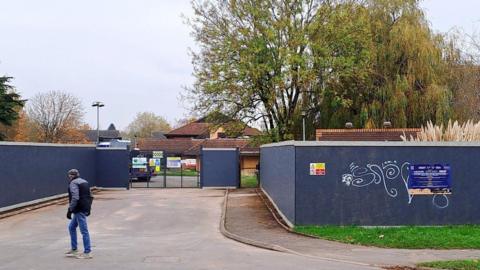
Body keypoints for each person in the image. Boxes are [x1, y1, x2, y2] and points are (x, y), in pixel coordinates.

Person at [65, 169, 93, 259]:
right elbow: (90, 196)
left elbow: (75, 197)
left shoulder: (73, 183)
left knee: (84, 231)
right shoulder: (85, 182)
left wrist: (70, 210)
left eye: (69, 175)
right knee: (71, 227)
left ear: (70, 176)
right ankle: (74, 249)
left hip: (78, 209)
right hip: (84, 208)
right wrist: (88, 208)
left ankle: (87, 252)